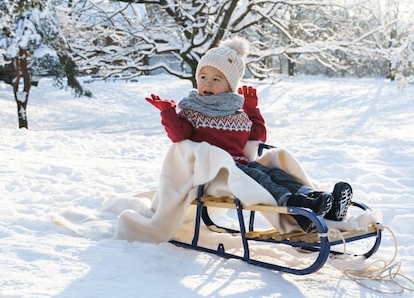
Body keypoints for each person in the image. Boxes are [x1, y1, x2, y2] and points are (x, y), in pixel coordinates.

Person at [146, 37, 352, 232]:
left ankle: (316, 200)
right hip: (213, 174)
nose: (207, 83)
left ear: (229, 86)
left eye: (216, 79)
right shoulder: (192, 109)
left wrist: (252, 109)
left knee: (274, 173)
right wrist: (167, 112)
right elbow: (178, 136)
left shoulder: (236, 113)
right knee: (258, 176)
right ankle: (296, 207)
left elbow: (258, 135)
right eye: (203, 77)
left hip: (240, 166)